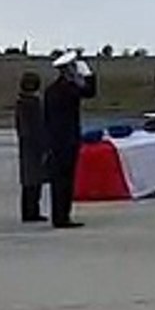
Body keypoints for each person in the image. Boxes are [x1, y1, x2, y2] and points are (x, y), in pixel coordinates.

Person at [43, 51, 97, 229]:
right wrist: (88, 74)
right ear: (68, 70)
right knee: (65, 180)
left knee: (58, 180)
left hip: (54, 140)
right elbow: (90, 92)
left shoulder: (51, 90)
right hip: (67, 140)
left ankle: (59, 215)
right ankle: (62, 217)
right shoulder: (69, 89)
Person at [14, 71, 48, 223]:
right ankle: (31, 211)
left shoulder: (22, 102)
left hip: (27, 144)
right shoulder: (32, 103)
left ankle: (30, 210)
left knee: (30, 179)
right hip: (33, 145)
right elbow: (38, 126)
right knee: (33, 179)